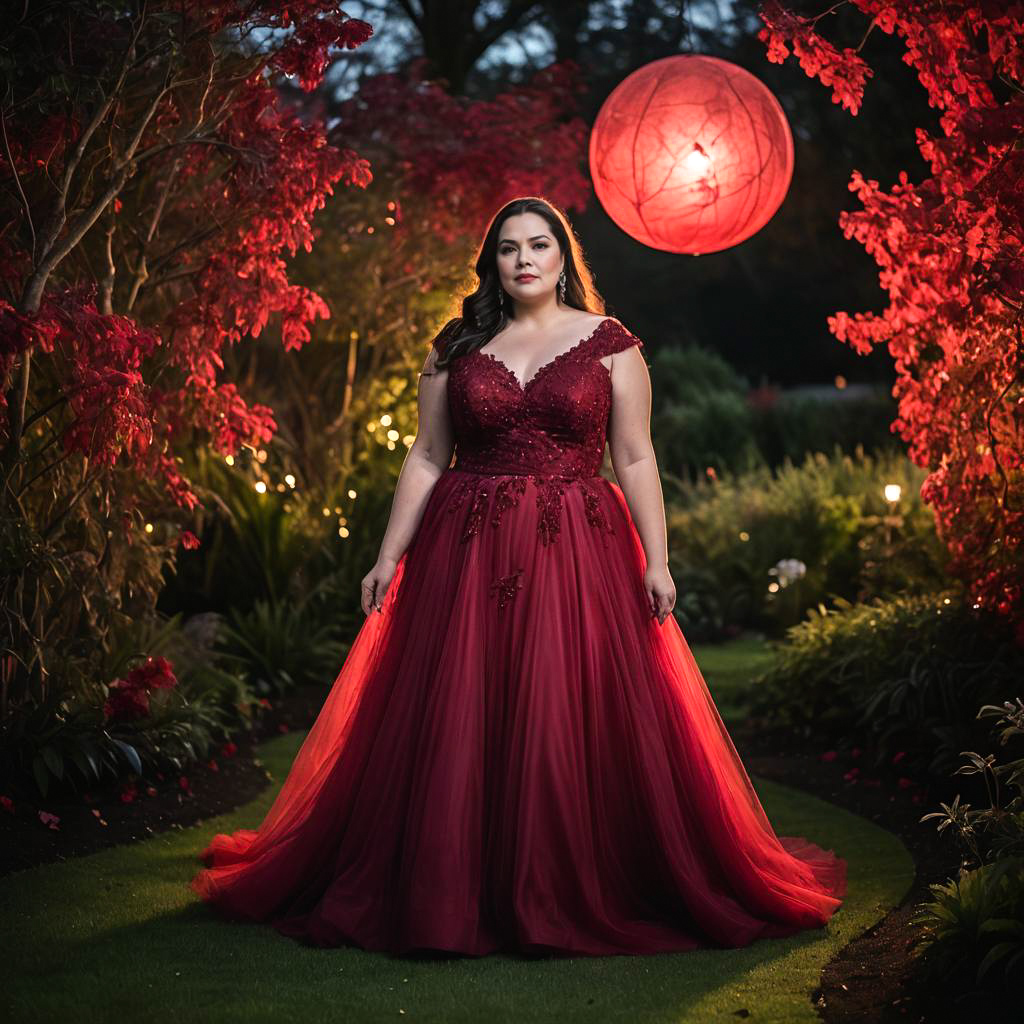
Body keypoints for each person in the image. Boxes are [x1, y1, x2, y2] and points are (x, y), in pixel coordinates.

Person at [190, 196, 847, 956]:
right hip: (466, 551)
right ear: (492, 263)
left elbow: (634, 457)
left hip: (581, 549)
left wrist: (659, 560)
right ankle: (450, 885)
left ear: (565, 257)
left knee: (568, 706)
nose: (525, 259)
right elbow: (428, 456)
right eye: (509, 248)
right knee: (461, 707)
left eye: (539, 245)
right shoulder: (457, 346)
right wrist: (387, 554)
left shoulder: (611, 344)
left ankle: (567, 883)